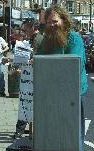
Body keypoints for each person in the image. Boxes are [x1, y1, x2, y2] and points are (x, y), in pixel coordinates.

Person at [36, 5, 88, 151]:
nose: (52, 25)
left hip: (73, 93)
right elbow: (39, 58)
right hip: (52, 92)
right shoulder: (47, 39)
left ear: (64, 20)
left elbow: (73, 64)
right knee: (53, 132)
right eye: (49, 22)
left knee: (73, 134)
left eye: (55, 21)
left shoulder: (74, 38)